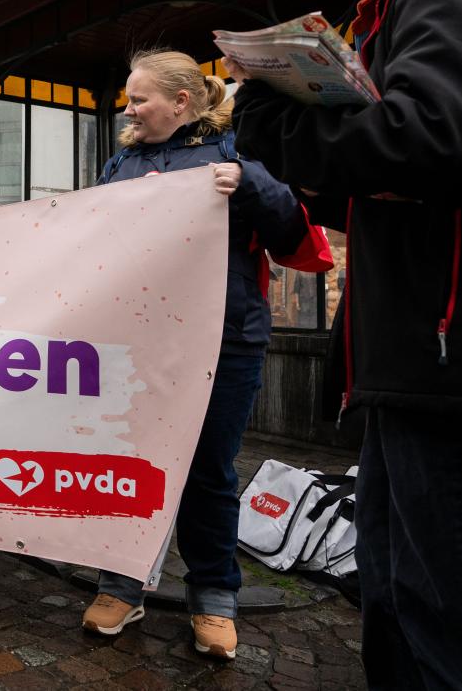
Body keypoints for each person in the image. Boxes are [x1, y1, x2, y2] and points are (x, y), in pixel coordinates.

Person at [229, 0, 462, 687]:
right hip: (440, 371)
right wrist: (298, 152)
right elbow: (410, 179)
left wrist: (269, 117)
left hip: (459, 375)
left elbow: (428, 136)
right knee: (403, 604)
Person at [82, 49, 330, 661]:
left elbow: (292, 233)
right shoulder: (120, 163)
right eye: (129, 99)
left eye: (140, 99)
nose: (130, 109)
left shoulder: (234, 152)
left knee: (210, 470)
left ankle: (214, 596)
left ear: (181, 102)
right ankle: (123, 581)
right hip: (139, 341)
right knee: (132, 464)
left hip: (226, 337)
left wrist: (252, 186)